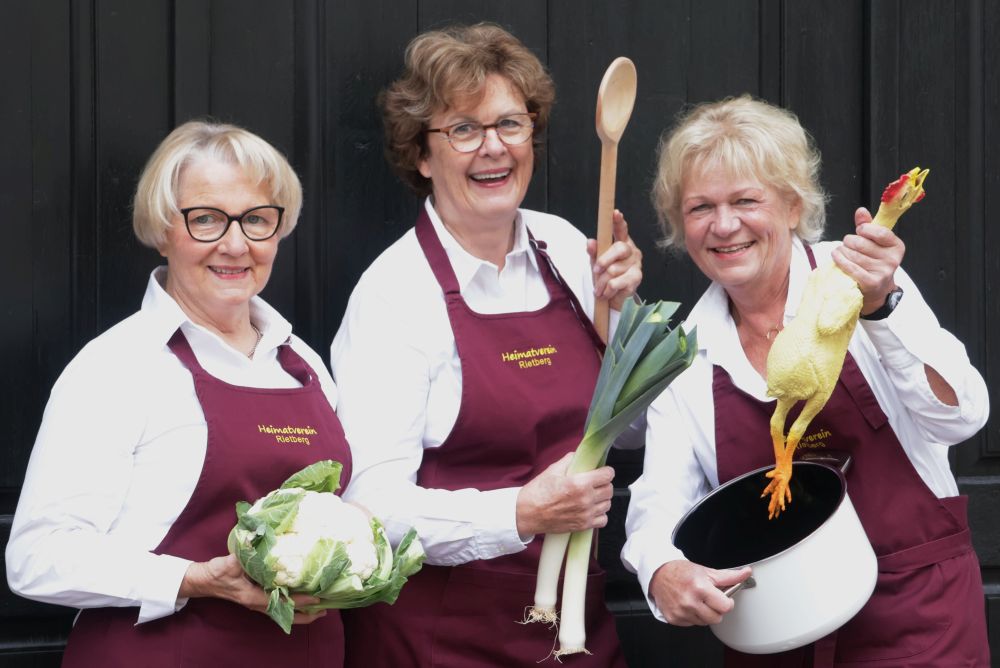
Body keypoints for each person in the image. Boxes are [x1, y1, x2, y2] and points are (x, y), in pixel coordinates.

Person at [622, 94, 990, 666]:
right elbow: (659, 497)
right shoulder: (686, 352)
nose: (724, 226)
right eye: (700, 208)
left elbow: (962, 416)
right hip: (775, 629)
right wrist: (660, 568)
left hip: (918, 616)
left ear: (793, 206)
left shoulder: (859, 282)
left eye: (746, 200)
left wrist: (882, 309)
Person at [331, 23, 641, 667]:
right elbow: (370, 507)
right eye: (463, 130)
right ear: (422, 154)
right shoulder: (394, 295)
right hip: (441, 636)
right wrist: (523, 512)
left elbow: (632, 432)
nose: (493, 148)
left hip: (571, 626)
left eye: (510, 124)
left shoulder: (569, 251)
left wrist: (628, 319)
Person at [5, 121, 352, 667]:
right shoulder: (117, 366)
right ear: (164, 228)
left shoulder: (301, 361)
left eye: (257, 220)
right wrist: (195, 579)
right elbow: (36, 555)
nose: (236, 244)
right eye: (207, 219)